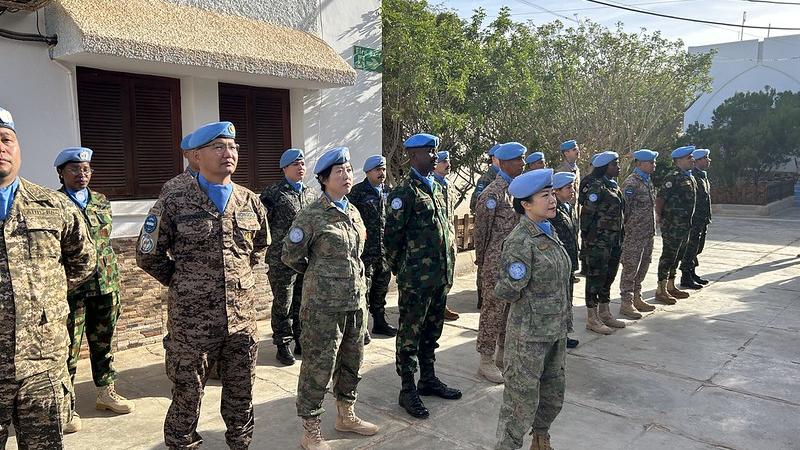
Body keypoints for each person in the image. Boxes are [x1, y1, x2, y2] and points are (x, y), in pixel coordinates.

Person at [136, 121, 270, 449]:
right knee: (187, 399)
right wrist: (183, 281)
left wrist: (236, 282)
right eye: (219, 147)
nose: (229, 153)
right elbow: (147, 253)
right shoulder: (175, 198)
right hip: (191, 326)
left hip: (241, 323)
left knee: (242, 398)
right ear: (196, 155)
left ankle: (240, 444)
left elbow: (259, 248)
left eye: (233, 147)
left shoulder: (250, 200)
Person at [0, 106, 96, 449]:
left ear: (18, 148)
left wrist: (42, 296)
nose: (1, 147)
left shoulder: (52, 206)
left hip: (41, 360)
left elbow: (83, 260)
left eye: (5, 139)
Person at [282, 147, 378, 450]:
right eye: (340, 171)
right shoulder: (310, 215)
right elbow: (291, 256)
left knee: (352, 363)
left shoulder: (353, 211)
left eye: (349, 170)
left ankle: (345, 415)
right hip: (323, 308)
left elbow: (356, 257)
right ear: (324, 179)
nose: (347, 175)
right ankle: (310, 431)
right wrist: (320, 279)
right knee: (317, 368)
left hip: (354, 303)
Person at [53, 147, 134, 435]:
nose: (82, 174)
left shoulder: (101, 201)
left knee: (104, 342)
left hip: (106, 284)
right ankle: (64, 404)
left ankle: (105, 393)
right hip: (70, 289)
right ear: (61, 173)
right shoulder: (53, 203)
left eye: (86, 169)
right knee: (67, 349)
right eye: (74, 169)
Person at [493, 168, 572, 450]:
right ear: (526, 204)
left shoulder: (549, 231)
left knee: (552, 394)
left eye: (552, 193)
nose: (552, 200)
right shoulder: (520, 241)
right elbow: (506, 289)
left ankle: (540, 439)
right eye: (544, 195)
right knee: (519, 403)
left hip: (555, 331)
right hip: (529, 336)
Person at [386, 133, 461, 419]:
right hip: (416, 281)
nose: (435, 157)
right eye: (430, 152)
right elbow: (391, 240)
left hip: (439, 278)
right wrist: (404, 271)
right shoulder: (404, 192)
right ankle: (407, 389)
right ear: (413, 156)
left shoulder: (438, 188)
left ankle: (427, 379)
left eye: (435, 152)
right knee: (410, 336)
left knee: (432, 332)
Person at [474, 142, 526, 384]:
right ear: (503, 163)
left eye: (523, 159)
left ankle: (503, 355)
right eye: (517, 159)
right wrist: (484, 262)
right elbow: (482, 233)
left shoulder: (517, 191)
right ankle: (486, 360)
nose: (522, 163)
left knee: (509, 309)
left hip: (515, 262)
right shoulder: (492, 194)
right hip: (496, 262)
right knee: (492, 311)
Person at [260, 148, 316, 365]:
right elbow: (260, 225)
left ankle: (301, 339)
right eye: (295, 164)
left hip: (306, 258)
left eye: (302, 164)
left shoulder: (311, 193)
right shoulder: (273, 193)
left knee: (303, 301)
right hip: (281, 259)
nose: (300, 168)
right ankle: (282, 343)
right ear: (284, 168)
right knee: (284, 302)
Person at [348, 155, 398, 337]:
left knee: (381, 290)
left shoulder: (390, 192)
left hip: (384, 252)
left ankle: (380, 322)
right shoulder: (357, 193)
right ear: (368, 172)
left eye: (384, 169)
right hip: (365, 253)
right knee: (364, 291)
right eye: (378, 170)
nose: (382, 173)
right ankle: (362, 329)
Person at [580, 151, 626, 335]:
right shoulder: (596, 187)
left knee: (609, 275)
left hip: (614, 240)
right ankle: (592, 317)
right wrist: (588, 240)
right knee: (595, 278)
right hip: (598, 241)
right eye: (615, 164)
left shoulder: (613, 186)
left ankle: (605, 312)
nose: (618, 167)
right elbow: (586, 215)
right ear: (605, 167)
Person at [618, 149, 659, 319]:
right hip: (633, 234)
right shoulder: (631, 183)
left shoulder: (647, 181)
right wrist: (628, 229)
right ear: (640, 164)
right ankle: (626, 302)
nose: (654, 165)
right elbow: (623, 210)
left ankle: (637, 296)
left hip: (647, 233)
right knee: (630, 267)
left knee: (644, 264)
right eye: (651, 162)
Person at [655, 146, 697, 304]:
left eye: (692, 157)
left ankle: (671, 286)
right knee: (668, 256)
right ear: (679, 161)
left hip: (685, 224)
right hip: (672, 224)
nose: (692, 160)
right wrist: (659, 216)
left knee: (678, 255)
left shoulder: (688, 176)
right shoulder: (672, 177)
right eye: (689, 158)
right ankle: (661, 289)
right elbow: (660, 199)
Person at [551, 172, 581, 349]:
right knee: (559, 300)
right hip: (559, 262)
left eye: (572, 186)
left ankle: (563, 334)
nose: (572, 190)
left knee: (567, 300)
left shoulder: (568, 207)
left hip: (569, 260)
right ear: (556, 191)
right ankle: (557, 336)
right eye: (568, 188)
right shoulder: (553, 211)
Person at [471, 143, 502, 309]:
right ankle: (481, 296)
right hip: (488, 228)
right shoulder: (486, 179)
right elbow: (475, 202)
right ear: (494, 159)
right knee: (484, 265)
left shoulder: (508, 178)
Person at [432, 150, 460, 321]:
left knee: (448, 273)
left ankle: (442, 304)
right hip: (436, 238)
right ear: (435, 164)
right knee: (436, 274)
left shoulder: (449, 185)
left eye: (448, 161)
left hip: (449, 236)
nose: (448, 164)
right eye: (444, 162)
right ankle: (435, 307)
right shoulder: (432, 185)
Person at [680, 148, 712, 288]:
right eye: (706, 158)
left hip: (702, 219)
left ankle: (692, 272)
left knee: (697, 248)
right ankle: (686, 276)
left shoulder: (702, 176)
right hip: (694, 220)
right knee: (690, 248)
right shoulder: (693, 177)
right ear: (698, 160)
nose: (708, 160)